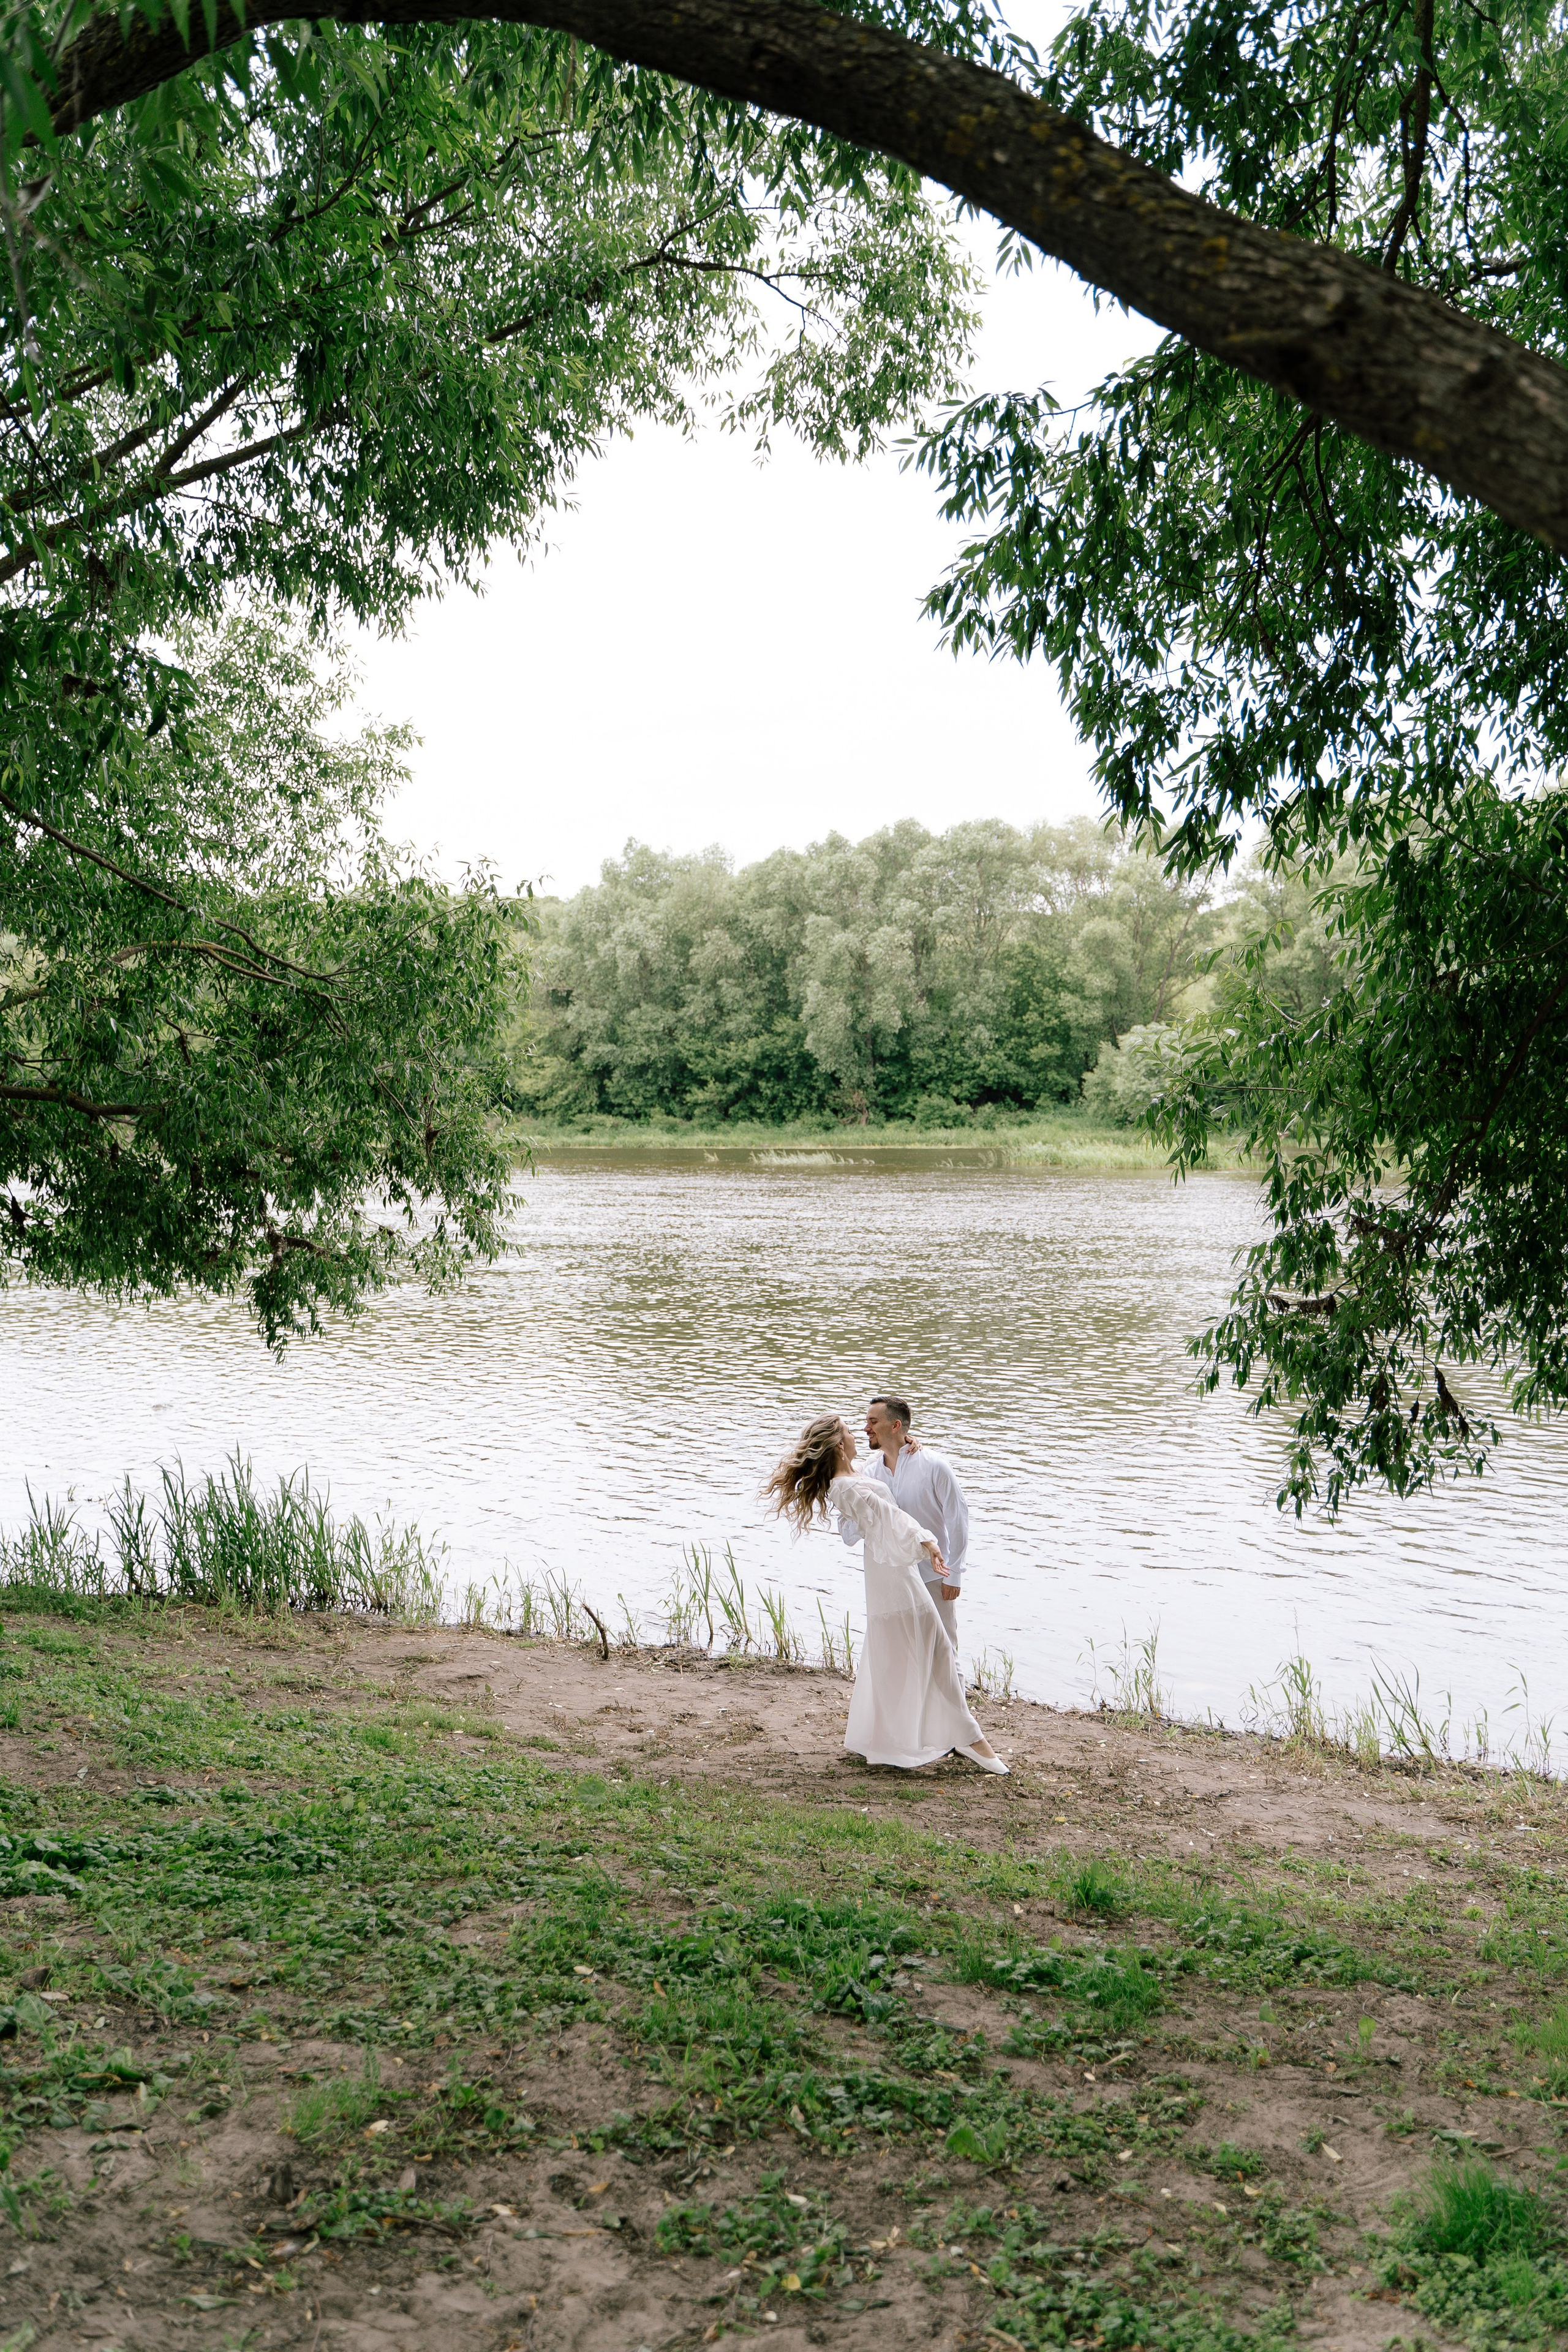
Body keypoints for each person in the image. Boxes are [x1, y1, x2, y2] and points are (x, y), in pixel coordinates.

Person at [766, 1412, 1007, 1775]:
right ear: (837, 1443)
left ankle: (882, 1739)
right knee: (937, 1651)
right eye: (850, 1429)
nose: (858, 1432)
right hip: (895, 1579)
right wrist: (928, 1541)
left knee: (898, 1657)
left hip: (889, 1575)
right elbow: (888, 1517)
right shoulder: (846, 1486)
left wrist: (909, 1445)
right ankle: (972, 1741)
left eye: (865, 1424)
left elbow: (884, 1508)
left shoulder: (856, 1476)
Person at [839, 1395, 967, 1651]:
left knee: (944, 1649)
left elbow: (958, 1519)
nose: (866, 1429)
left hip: (933, 1575)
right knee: (901, 1651)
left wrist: (955, 1574)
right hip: (892, 1578)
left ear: (896, 1426)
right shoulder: (869, 1472)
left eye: (873, 1422)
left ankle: (953, 1693)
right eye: (866, 1422)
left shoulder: (934, 1466)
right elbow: (849, 1533)